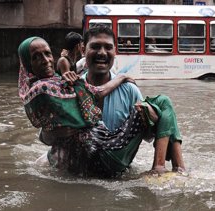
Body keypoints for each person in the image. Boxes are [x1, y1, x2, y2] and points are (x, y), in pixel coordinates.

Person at [18, 36, 150, 177]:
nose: (45, 60)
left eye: (47, 54)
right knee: (154, 106)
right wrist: (122, 77)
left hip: (74, 160)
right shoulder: (45, 88)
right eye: (36, 57)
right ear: (83, 50)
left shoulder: (54, 84)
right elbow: (96, 93)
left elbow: (45, 130)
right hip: (90, 156)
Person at [82, 26, 185, 174]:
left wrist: (151, 115)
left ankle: (169, 167)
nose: (102, 53)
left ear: (115, 52)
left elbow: (148, 134)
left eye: (108, 47)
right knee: (164, 103)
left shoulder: (129, 90)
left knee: (161, 105)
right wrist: (122, 77)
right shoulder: (72, 88)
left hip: (116, 163)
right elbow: (49, 137)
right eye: (95, 46)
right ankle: (172, 167)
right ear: (82, 50)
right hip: (90, 165)